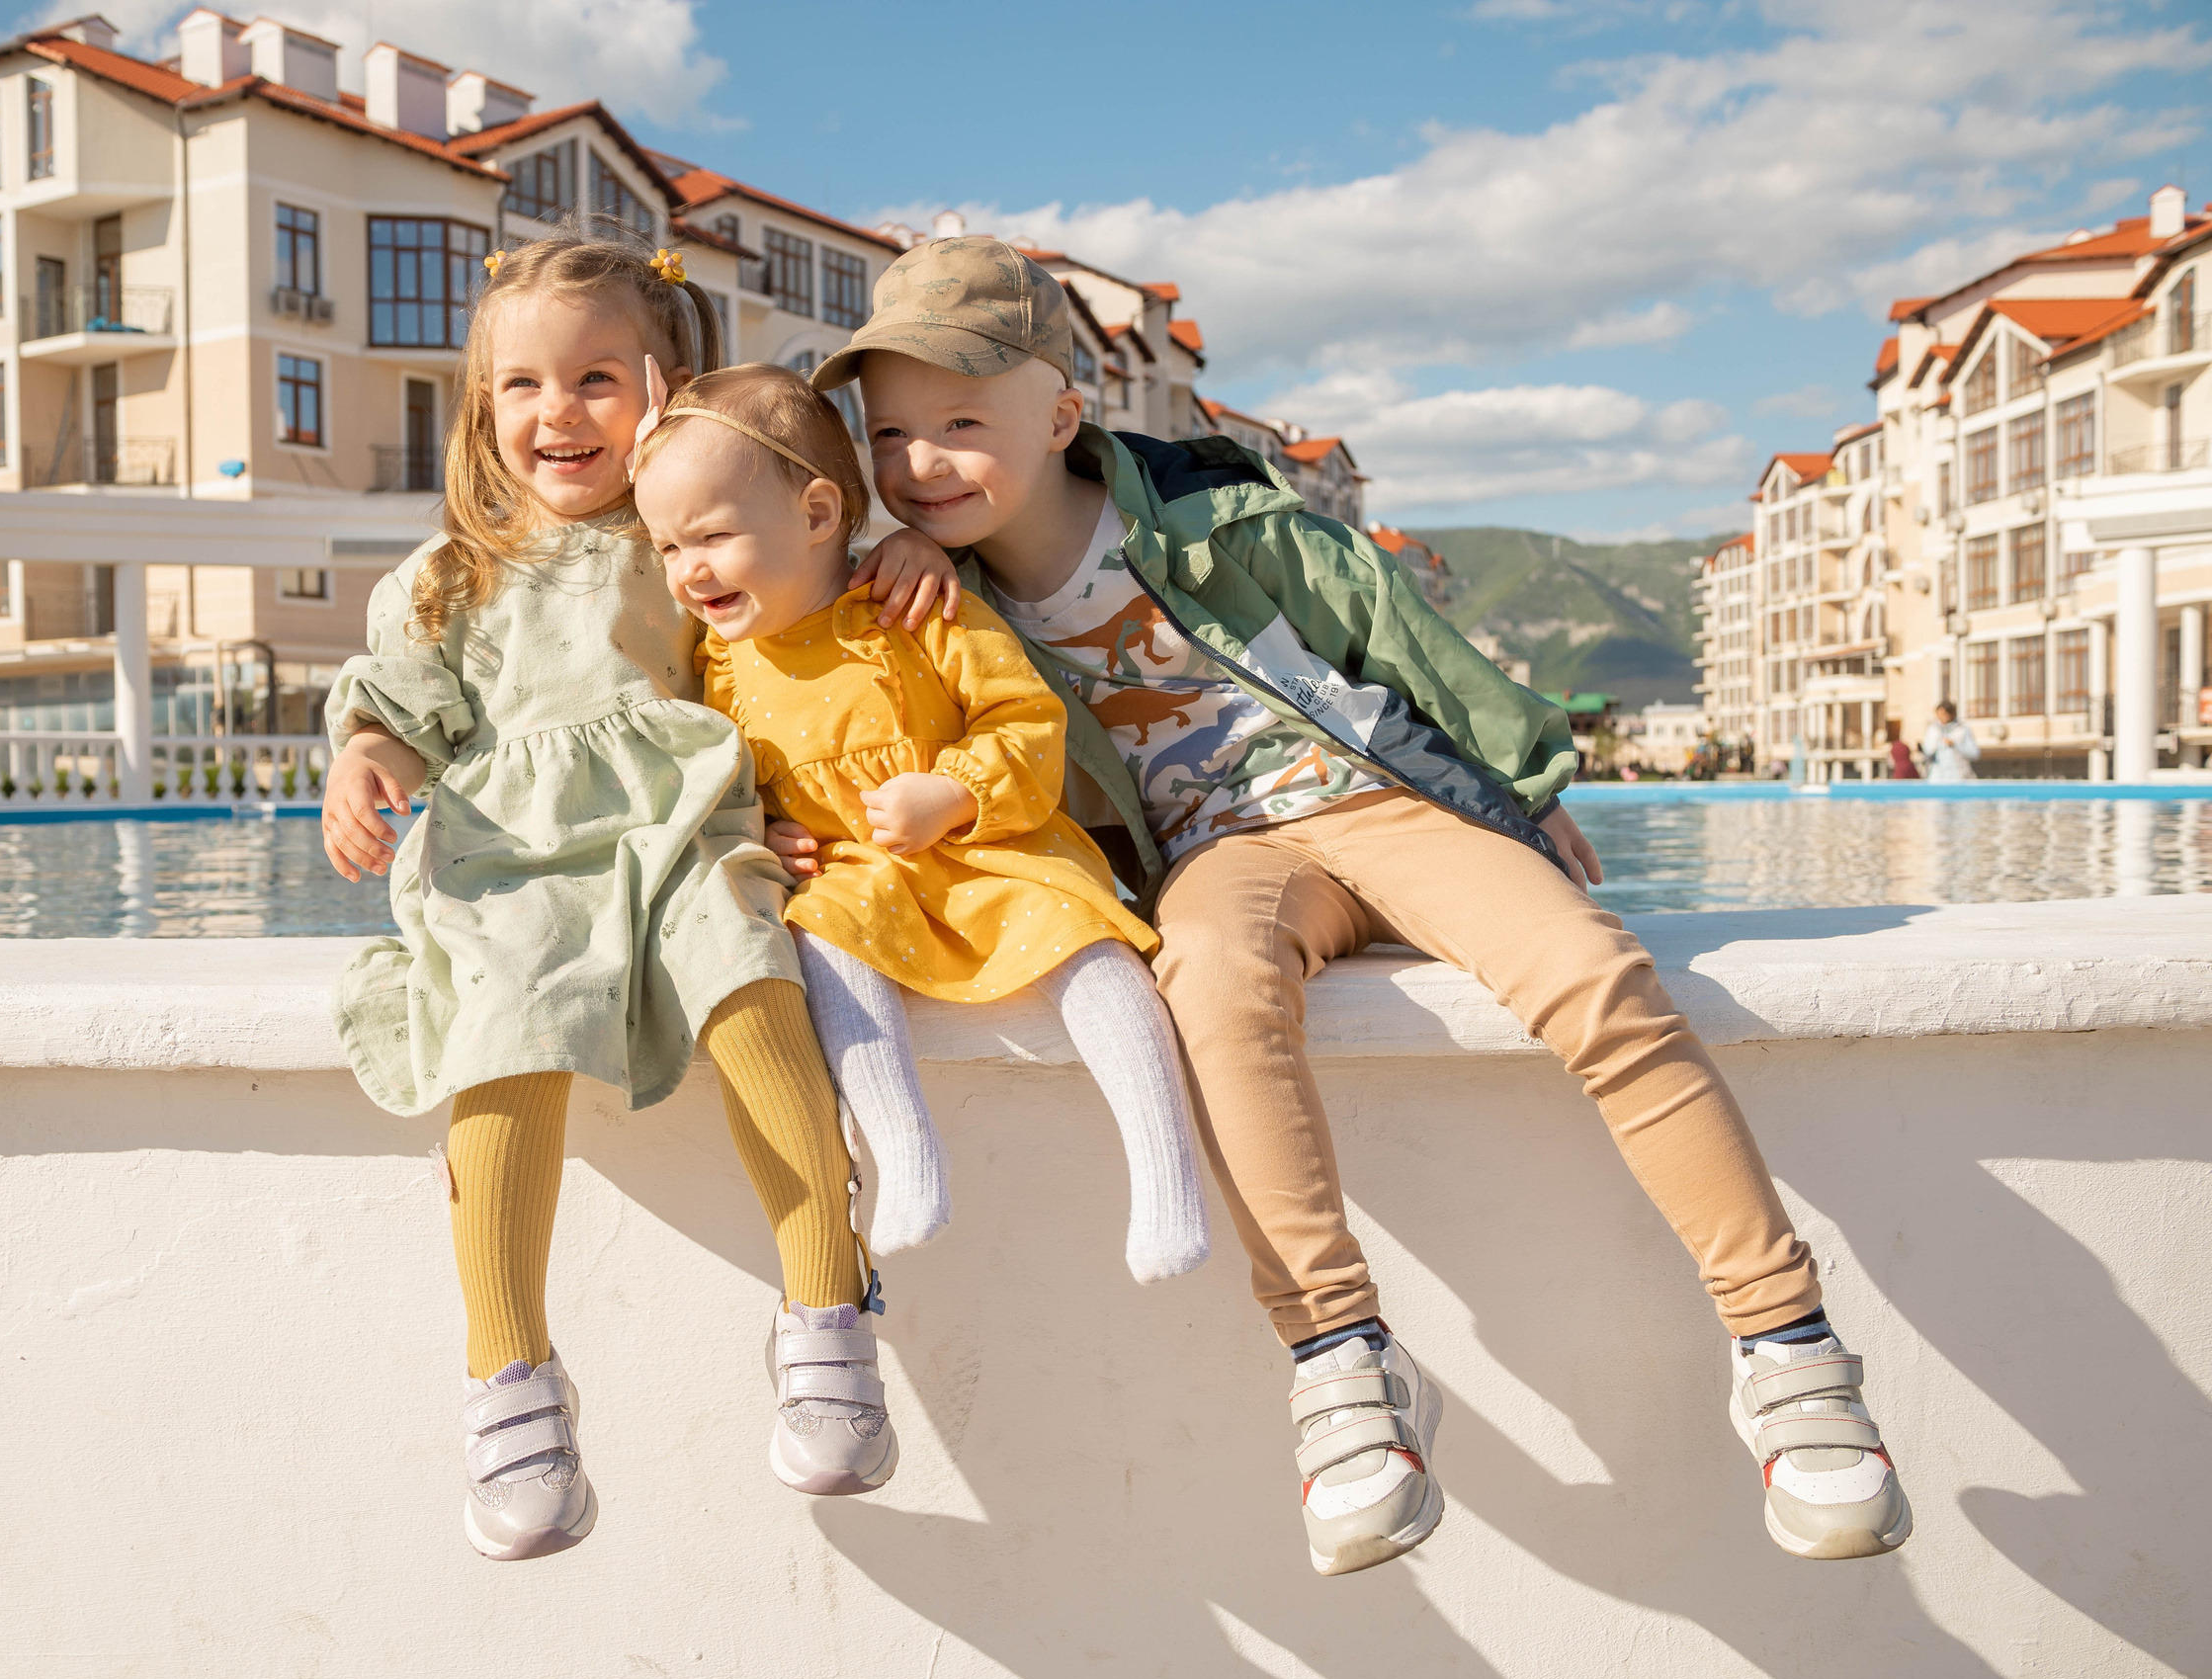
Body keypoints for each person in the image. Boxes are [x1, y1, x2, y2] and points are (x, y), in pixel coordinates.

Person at [812, 238, 1912, 1574]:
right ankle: (1343, 1362)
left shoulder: (1223, 523)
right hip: (1223, 856)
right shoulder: (933, 599)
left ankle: (1787, 1344)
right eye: (891, 436)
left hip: (1382, 798)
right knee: (1204, 985)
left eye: (961, 423)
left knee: (1591, 972)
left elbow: (1397, 633)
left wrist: (1529, 776)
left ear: (1060, 416)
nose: (922, 462)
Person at [317, 228, 960, 1561]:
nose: (558, 412)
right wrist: (364, 763)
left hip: (680, 834)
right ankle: (511, 1382)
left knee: (751, 983)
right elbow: (395, 714)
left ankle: (829, 1318)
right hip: (515, 862)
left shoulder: (685, 530)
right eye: (523, 386)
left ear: (665, 387)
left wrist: (906, 551)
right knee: (498, 1044)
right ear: (481, 408)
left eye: (599, 378)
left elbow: (809, 572)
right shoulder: (445, 577)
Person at [632, 361, 1210, 1285]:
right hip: (860, 873)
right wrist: (760, 827)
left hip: (990, 850)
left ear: (819, 516)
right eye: (665, 547)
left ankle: (1166, 1173)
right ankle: (902, 1152)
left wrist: (957, 790)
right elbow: (713, 780)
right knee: (822, 939)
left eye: (711, 537)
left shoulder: (917, 607)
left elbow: (1025, 718)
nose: (686, 570)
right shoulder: (719, 663)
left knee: (1091, 951)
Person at [1922, 702, 1978, 782]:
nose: (1940, 717)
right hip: (1937, 778)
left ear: (1952, 714)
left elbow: (1974, 754)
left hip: (1958, 778)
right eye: (1938, 714)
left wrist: (1955, 745)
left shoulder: (1962, 729)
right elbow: (1926, 752)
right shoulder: (1933, 730)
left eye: (1943, 714)